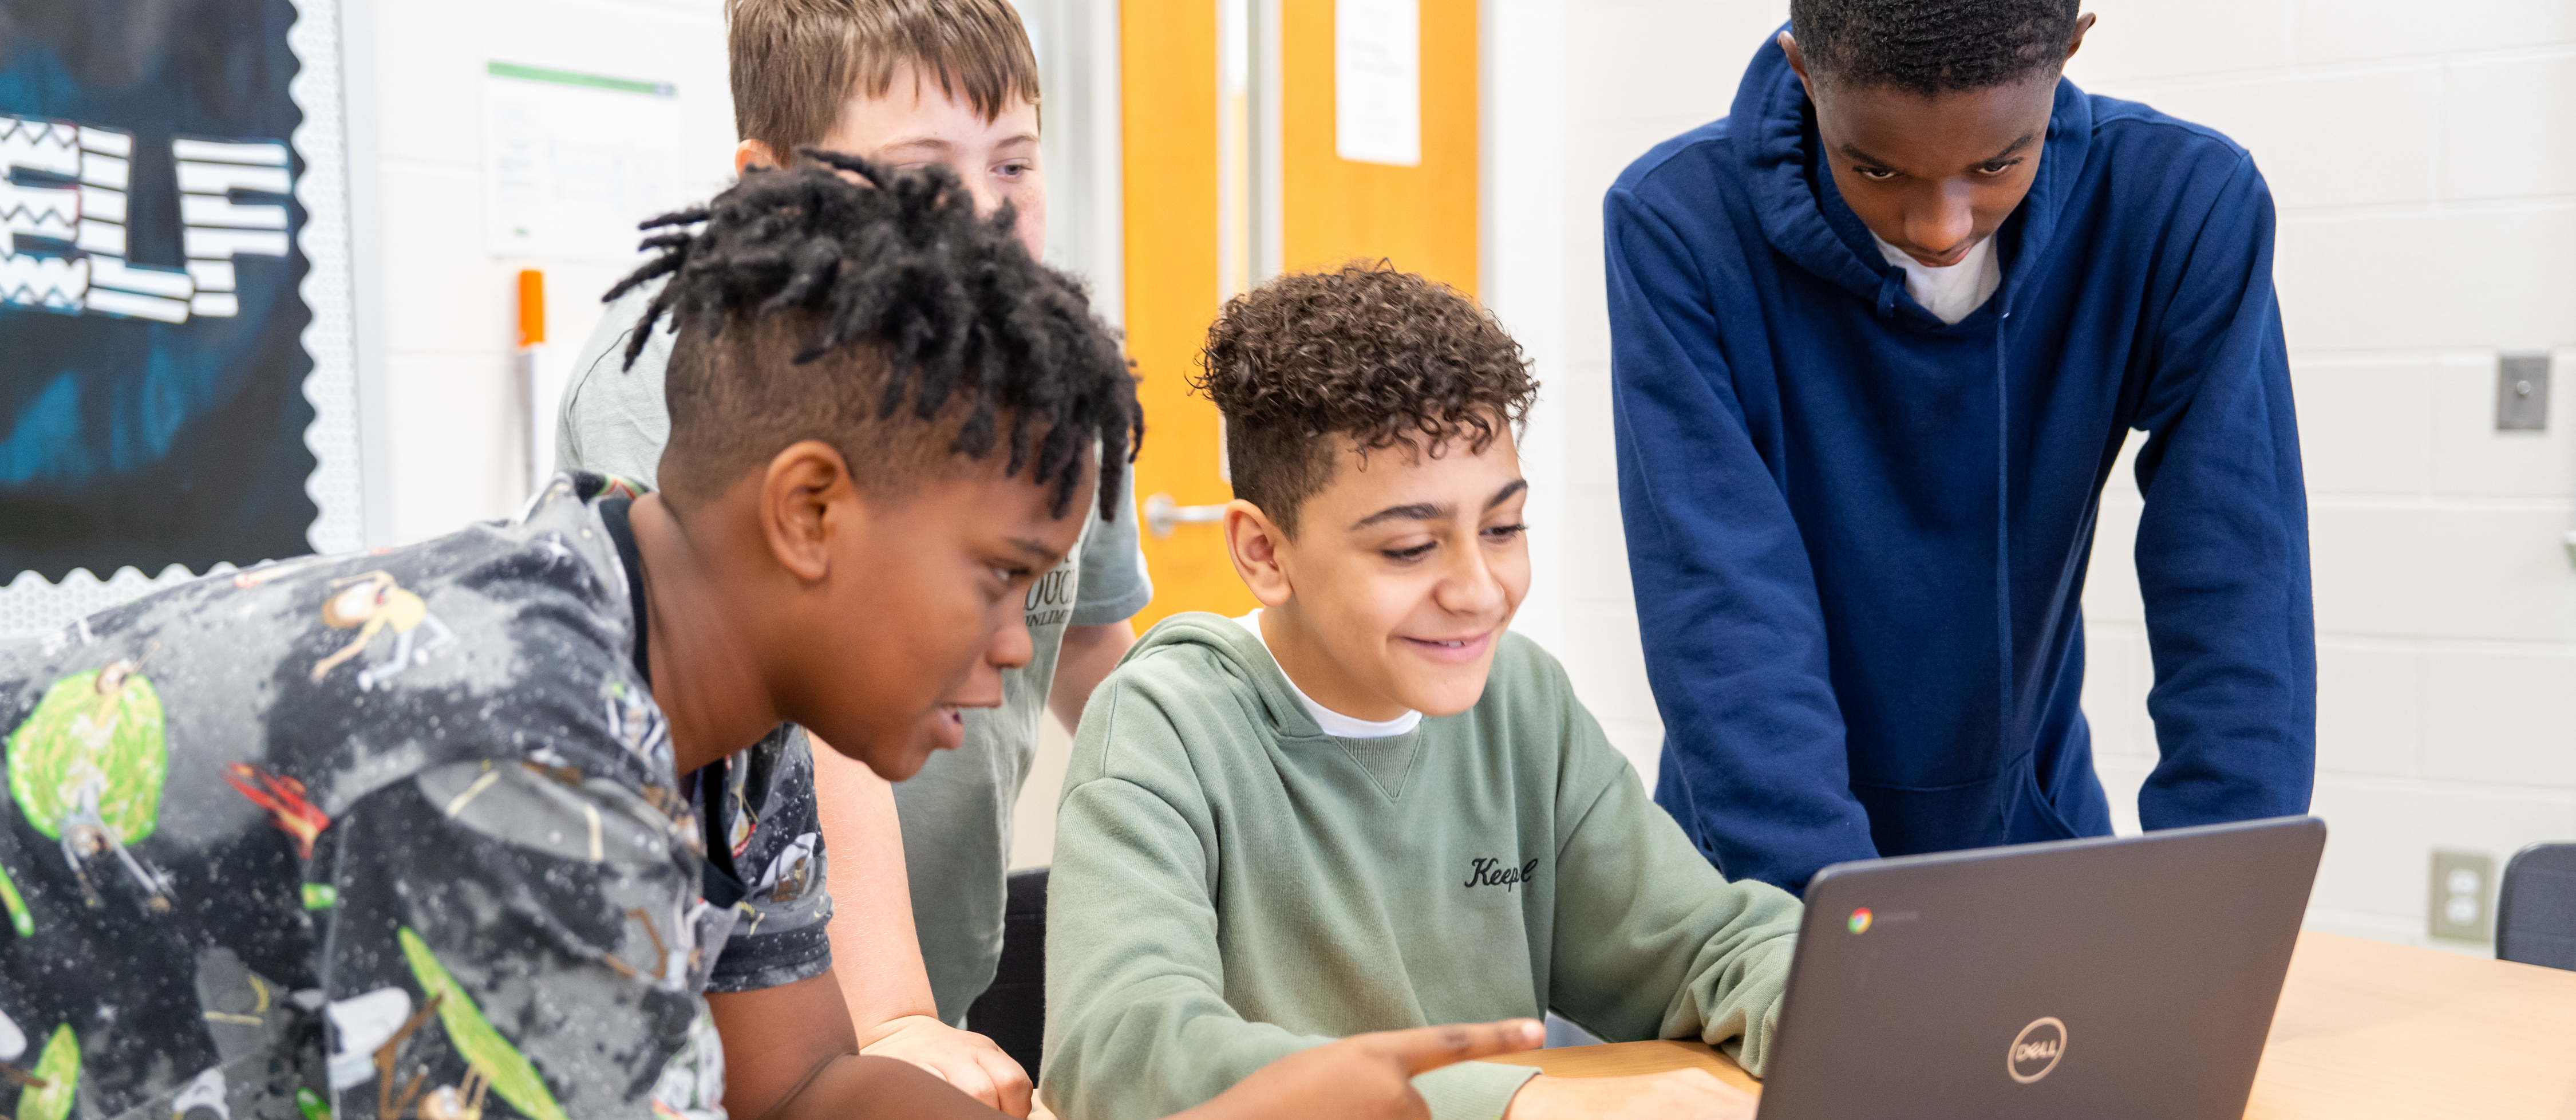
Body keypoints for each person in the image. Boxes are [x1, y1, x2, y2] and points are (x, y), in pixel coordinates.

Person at [0, 160, 1544, 1120]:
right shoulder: (511, 754)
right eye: (1001, 577)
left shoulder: (718, 702)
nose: (1019, 648)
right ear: (813, 512)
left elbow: (797, 1086)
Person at [554, 1, 1148, 1109]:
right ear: (771, 184)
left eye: (1014, 163)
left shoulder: (1043, 375)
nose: (982, 210)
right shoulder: (702, 368)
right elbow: (791, 688)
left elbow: (1102, 655)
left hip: (900, 998)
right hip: (723, 1017)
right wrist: (892, 1019)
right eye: (922, 173)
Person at [1041, 263, 1799, 1120]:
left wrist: (1839, 1019)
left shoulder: (1521, 700)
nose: (1478, 589)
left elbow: (1706, 948)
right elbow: (1120, 1049)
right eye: (1409, 549)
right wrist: (1506, 1105)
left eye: (1504, 528)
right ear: (1263, 553)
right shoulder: (1165, 724)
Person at [1605, 0, 2315, 894]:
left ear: (2069, 52)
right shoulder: (1677, 224)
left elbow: (2235, 578)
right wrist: (1839, 933)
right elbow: (1721, 604)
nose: (1939, 229)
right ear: (1802, 71)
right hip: (1758, 873)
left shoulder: (2183, 207)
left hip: (2028, 848)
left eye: (1996, 164)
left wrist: (2221, 908)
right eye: (1874, 167)